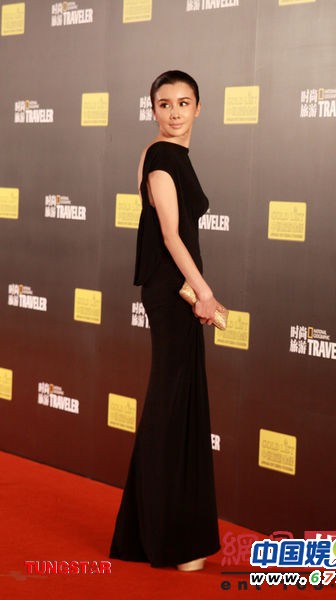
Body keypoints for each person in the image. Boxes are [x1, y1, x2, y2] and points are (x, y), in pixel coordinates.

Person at [109, 70, 220, 571]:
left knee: (175, 403)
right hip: (175, 291)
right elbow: (171, 235)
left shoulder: (169, 155)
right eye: (164, 103)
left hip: (176, 288)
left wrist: (195, 289)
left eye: (183, 102)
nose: (174, 112)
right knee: (170, 405)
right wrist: (204, 292)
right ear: (152, 108)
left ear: (198, 107)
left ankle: (157, 533)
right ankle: (168, 539)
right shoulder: (161, 157)